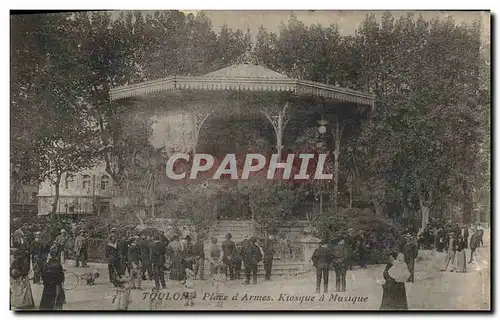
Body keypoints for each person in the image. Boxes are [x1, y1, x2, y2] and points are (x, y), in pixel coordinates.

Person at [39, 245, 66, 310]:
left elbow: (43, 275)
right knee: (56, 300)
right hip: (56, 285)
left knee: (46, 299)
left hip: (48, 286)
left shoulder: (47, 264)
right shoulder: (58, 264)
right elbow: (61, 276)